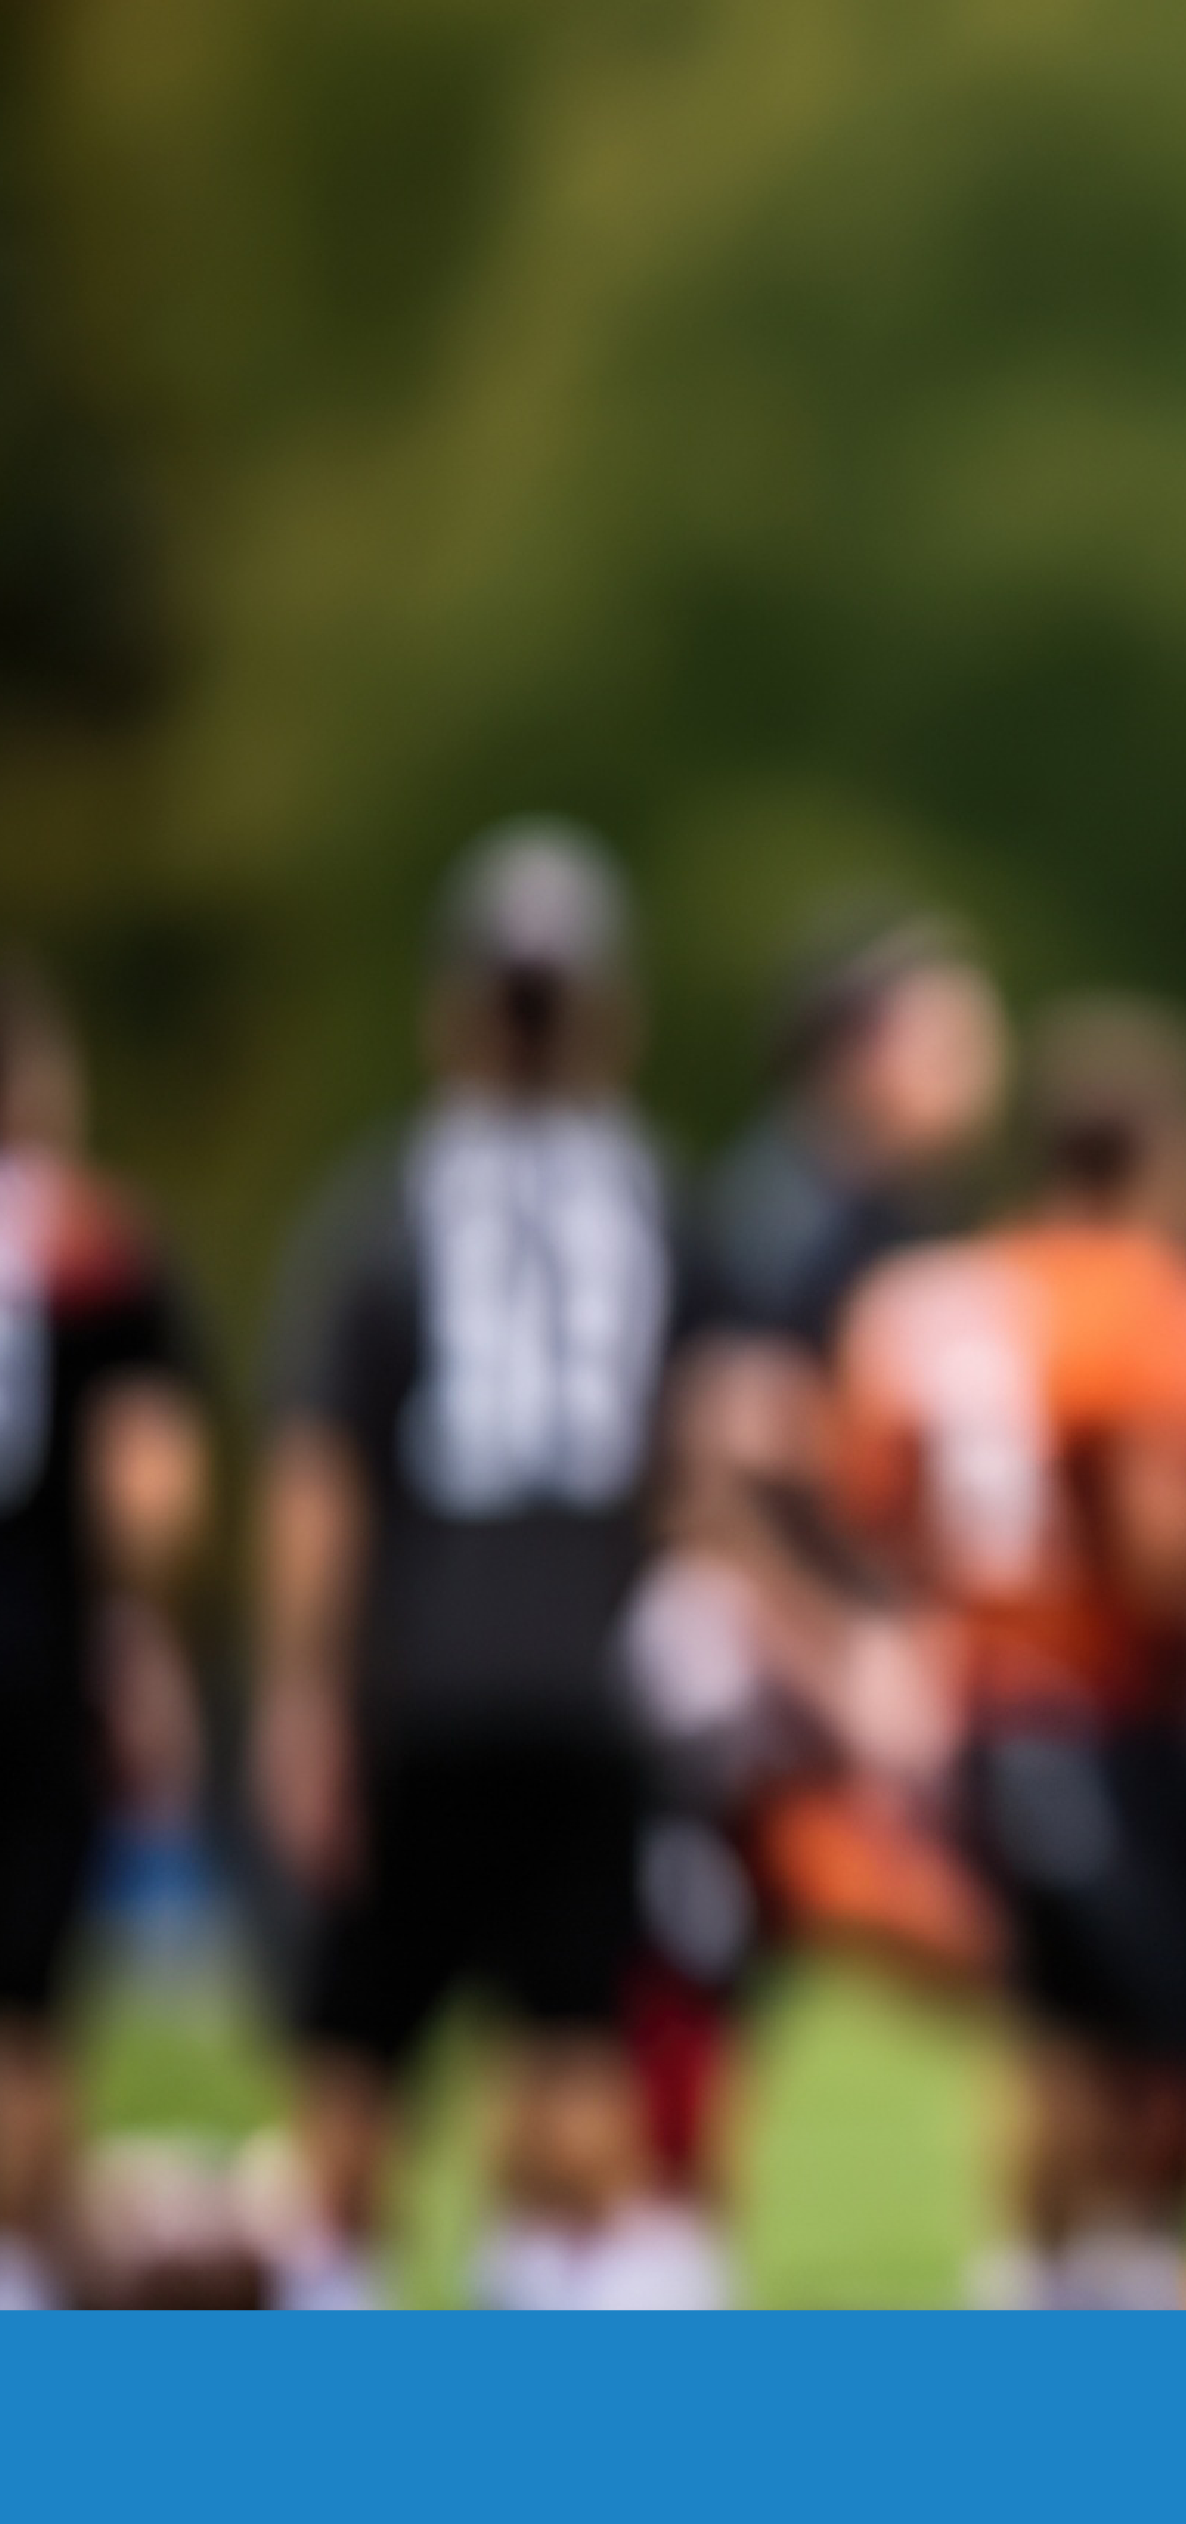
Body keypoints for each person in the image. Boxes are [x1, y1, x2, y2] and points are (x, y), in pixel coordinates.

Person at [255, 825, 715, 2307]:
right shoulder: (656, 1202)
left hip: (422, 1674)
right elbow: (715, 1460)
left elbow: (318, 1480)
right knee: (574, 2057)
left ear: (455, 1008)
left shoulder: (382, 1206)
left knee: (354, 2074)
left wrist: (298, 1692)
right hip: (592, 1679)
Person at [838, 997, 1186, 2306]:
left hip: (979, 1702)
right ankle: (1099, 2288)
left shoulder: (942, 1297)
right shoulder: (1143, 1302)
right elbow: (1162, 1543)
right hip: (1101, 1699)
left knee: (1047, 2021)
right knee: (1141, 2035)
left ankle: (1040, 2277)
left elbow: (871, 1503)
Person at [632, 905, 1002, 2232]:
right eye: (947, 1026)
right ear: (856, 1052)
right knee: (696, 1976)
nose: (979, 1052)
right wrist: (843, 1654)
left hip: (854, 1653)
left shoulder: (904, 1218)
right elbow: (714, 1479)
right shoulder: (784, 1223)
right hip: (748, 1655)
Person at [0, 958, 209, 2302]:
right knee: (27, 2014)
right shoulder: (91, 1246)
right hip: (29, 1659)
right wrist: (138, 1633)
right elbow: (148, 1492)